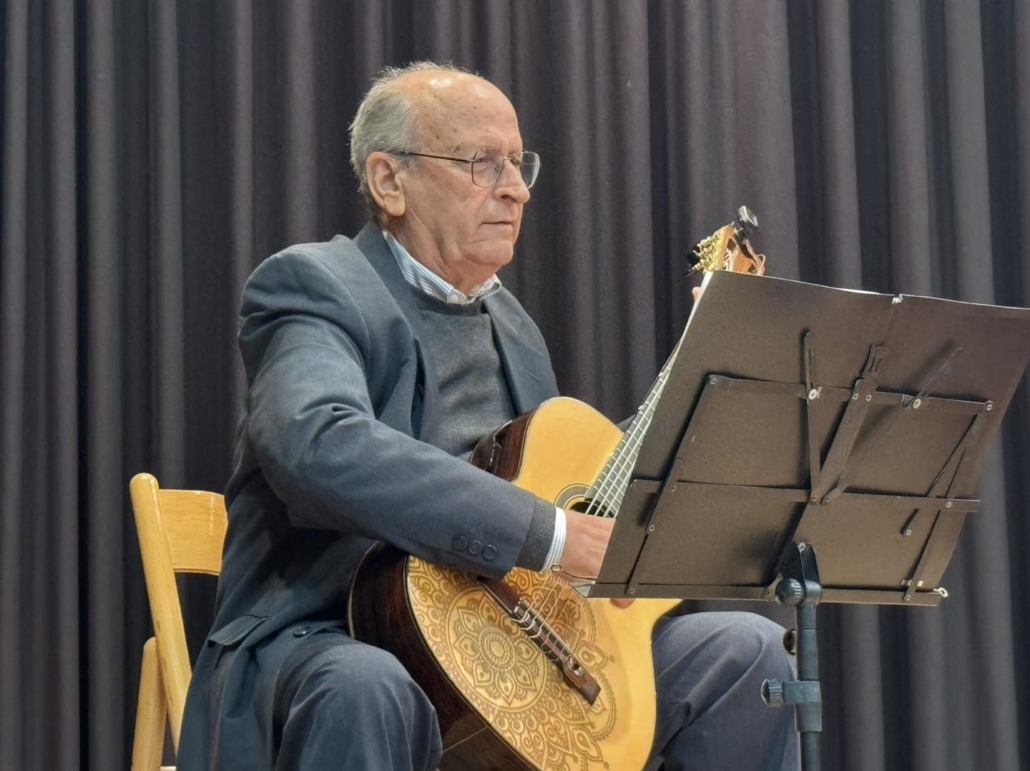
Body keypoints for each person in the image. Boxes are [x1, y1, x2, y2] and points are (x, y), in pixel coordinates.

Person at [178, 61, 799, 771]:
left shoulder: (514, 327)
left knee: (744, 653)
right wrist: (551, 534)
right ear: (389, 181)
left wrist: (703, 375)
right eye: (482, 163)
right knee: (369, 686)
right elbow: (315, 442)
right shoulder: (315, 284)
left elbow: (578, 490)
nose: (516, 188)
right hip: (333, 635)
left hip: (510, 645)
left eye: (518, 163)